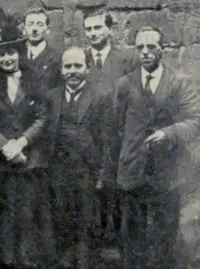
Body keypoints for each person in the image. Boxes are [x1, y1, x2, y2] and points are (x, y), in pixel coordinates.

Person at [103, 26, 200, 269]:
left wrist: (168, 133)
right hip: (133, 169)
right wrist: (117, 165)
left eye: (151, 47)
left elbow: (195, 121)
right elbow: (114, 128)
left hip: (167, 171)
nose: (145, 52)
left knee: (164, 232)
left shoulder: (179, 82)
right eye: (140, 48)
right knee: (133, 234)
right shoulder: (124, 84)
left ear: (162, 49)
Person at [0, 23, 55, 269]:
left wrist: (21, 142)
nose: (7, 58)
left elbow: (42, 117)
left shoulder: (33, 81)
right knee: (0, 218)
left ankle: (27, 262)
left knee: (26, 216)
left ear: (19, 53)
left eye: (11, 52)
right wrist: (5, 147)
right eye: (1, 54)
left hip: (29, 161)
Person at [45, 46, 110, 269]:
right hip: (57, 170)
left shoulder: (101, 97)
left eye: (78, 66)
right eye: (68, 66)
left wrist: (101, 174)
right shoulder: (51, 97)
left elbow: (107, 138)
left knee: (85, 222)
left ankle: (84, 263)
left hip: (86, 170)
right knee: (60, 218)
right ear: (61, 70)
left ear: (88, 69)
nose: (72, 71)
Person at [82, 8, 137, 250]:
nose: (93, 33)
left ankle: (116, 243)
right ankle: (91, 243)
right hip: (88, 138)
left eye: (97, 28)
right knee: (90, 191)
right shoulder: (79, 59)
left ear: (109, 29)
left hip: (118, 136)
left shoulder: (127, 59)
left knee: (116, 190)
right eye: (88, 29)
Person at [23, 7, 61, 91]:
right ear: (24, 30)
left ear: (47, 30)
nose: (34, 29)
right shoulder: (17, 56)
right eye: (30, 24)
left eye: (39, 24)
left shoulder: (57, 59)